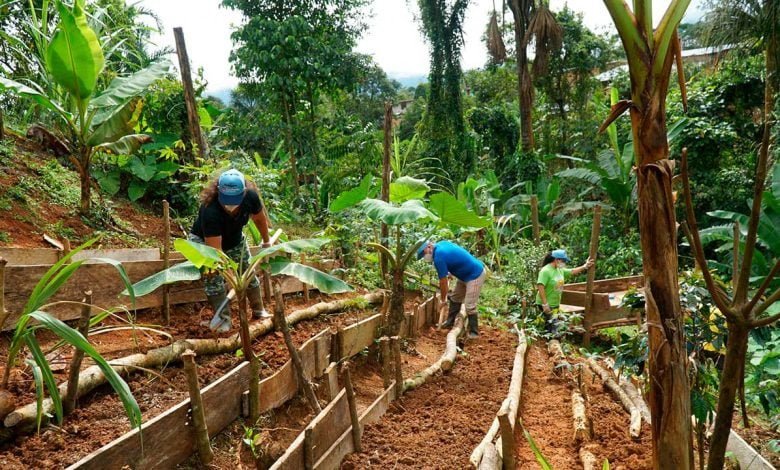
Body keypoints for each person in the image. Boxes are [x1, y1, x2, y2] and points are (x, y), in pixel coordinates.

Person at [189, 169, 271, 332]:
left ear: (243, 193)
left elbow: (259, 219)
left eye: (235, 201)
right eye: (227, 200)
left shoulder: (250, 197)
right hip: (205, 243)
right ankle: (223, 320)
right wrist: (232, 278)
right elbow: (216, 251)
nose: (230, 206)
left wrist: (266, 241)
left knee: (247, 272)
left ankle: (258, 310)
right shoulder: (209, 209)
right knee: (213, 278)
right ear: (218, 192)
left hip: (234, 239)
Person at [417, 240, 486, 338]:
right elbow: (453, 257)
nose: (425, 257)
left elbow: (443, 282)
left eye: (424, 254)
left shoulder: (438, 258)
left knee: (469, 305)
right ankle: (450, 322)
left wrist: (443, 299)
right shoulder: (442, 244)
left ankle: (474, 332)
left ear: (429, 247)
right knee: (455, 298)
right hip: (464, 274)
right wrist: (448, 271)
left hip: (475, 275)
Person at [535, 249, 594, 334]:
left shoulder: (559, 269)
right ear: (556, 260)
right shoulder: (546, 271)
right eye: (563, 261)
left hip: (555, 303)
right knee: (554, 326)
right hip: (546, 303)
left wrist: (585, 266)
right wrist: (545, 304)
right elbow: (540, 286)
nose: (564, 263)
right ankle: (553, 341)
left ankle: (547, 341)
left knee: (550, 325)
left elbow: (572, 271)